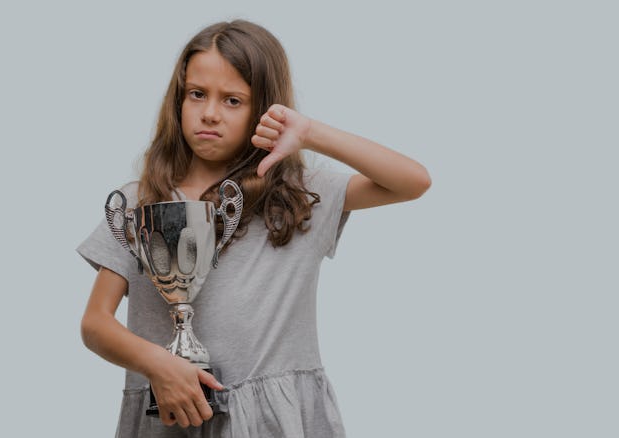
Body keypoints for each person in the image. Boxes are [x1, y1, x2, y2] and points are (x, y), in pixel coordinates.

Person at [78, 19, 430, 437]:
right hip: (171, 416)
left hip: (276, 422)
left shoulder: (300, 197)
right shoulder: (142, 201)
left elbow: (413, 181)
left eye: (233, 100)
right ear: (178, 100)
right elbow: (95, 323)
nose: (209, 112)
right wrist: (156, 363)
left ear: (263, 108)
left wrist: (309, 133)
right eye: (196, 94)